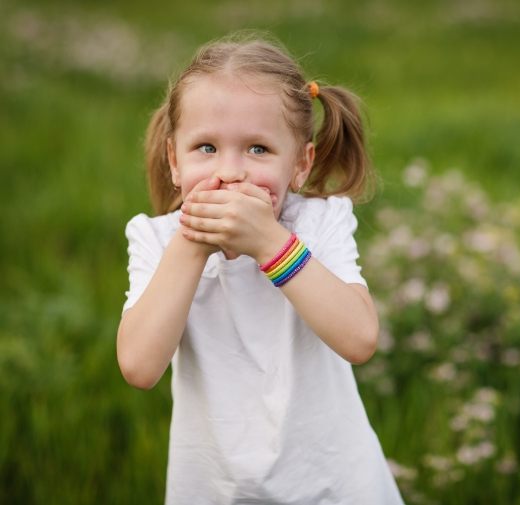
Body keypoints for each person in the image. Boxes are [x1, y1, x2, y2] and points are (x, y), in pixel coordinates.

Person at [117, 34, 404, 504]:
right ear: (174, 160)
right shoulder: (158, 240)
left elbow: (359, 339)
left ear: (300, 164)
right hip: (215, 488)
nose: (230, 172)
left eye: (257, 149)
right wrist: (192, 246)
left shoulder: (316, 223)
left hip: (332, 482)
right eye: (206, 148)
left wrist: (273, 245)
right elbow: (139, 367)